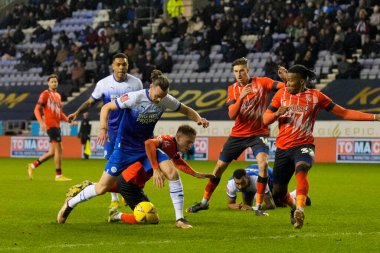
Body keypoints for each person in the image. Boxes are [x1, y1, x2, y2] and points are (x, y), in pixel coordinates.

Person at [57, 70, 209, 224]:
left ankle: (180, 219)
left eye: (162, 97)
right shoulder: (134, 97)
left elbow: (186, 110)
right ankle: (70, 204)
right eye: (157, 96)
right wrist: (103, 129)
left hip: (144, 148)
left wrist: (198, 118)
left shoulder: (165, 99)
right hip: (124, 149)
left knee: (172, 173)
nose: (159, 100)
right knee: (102, 188)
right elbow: (106, 108)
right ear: (151, 87)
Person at [263, 64, 380, 229]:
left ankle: (300, 210)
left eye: (290, 81)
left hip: (304, 144)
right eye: (286, 81)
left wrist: (374, 117)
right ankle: (294, 207)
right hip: (282, 148)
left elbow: (344, 112)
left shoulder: (316, 96)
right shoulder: (281, 95)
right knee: (279, 193)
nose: (287, 84)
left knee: (302, 169)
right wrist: (276, 114)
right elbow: (265, 119)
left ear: (302, 82)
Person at [187, 57, 286, 216]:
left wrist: (286, 79)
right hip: (238, 134)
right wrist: (241, 98)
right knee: (218, 168)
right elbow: (232, 114)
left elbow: (285, 87)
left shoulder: (262, 82)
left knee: (263, 164)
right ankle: (204, 202)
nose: (239, 74)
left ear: (248, 71)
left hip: (258, 133)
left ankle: (258, 207)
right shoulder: (232, 89)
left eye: (241, 71)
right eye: (236, 72)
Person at [68, 125, 213, 228]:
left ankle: (89, 186)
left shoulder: (173, 149)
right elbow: (149, 143)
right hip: (131, 181)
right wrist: (156, 169)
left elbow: (178, 162)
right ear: (179, 137)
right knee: (147, 218)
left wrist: (195, 174)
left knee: (103, 188)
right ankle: (116, 215)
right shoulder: (166, 141)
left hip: (133, 181)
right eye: (189, 142)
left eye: (192, 143)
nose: (190, 146)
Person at [68, 53, 143, 209]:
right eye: (118, 64)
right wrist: (77, 113)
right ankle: (114, 198)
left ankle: (126, 190)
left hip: (130, 132)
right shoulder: (103, 84)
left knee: (133, 164)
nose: (121, 67)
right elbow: (90, 102)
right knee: (112, 163)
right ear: (113, 66)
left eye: (124, 64)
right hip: (112, 131)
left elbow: (140, 107)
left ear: (128, 65)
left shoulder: (136, 84)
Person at [27, 74, 76, 182]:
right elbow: (36, 109)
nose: (54, 83)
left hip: (56, 125)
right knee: (59, 149)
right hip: (51, 125)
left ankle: (33, 165)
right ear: (48, 83)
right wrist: (41, 122)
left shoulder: (58, 95)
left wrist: (69, 121)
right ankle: (58, 175)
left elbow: (60, 113)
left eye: (55, 81)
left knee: (52, 152)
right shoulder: (45, 94)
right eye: (52, 81)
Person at [227, 164, 311, 211]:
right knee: (247, 205)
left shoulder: (258, 180)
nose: (240, 186)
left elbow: (271, 205)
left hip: (270, 177)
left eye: (242, 183)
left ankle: (297, 194)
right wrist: (238, 206)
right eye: (237, 184)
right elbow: (230, 203)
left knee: (280, 203)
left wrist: (253, 208)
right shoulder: (231, 184)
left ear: (247, 177)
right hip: (252, 180)